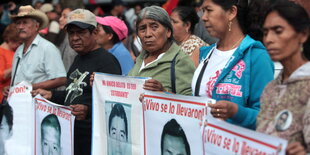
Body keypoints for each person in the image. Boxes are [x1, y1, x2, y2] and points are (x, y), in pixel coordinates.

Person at [32, 9, 122, 155]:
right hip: (71, 138)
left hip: (91, 141)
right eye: (71, 33)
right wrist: (51, 95)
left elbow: (114, 105)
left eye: (81, 32)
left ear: (95, 32)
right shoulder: (79, 58)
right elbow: (72, 94)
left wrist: (87, 110)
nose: (74, 38)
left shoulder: (107, 62)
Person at [192, 0, 274, 129]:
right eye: (203, 11)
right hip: (201, 145)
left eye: (209, 10)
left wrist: (237, 112)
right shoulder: (204, 54)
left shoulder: (257, 56)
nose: (204, 17)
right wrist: (163, 94)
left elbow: (269, 118)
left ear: (231, 12)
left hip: (236, 146)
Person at [257, 0, 310, 154]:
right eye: (265, 33)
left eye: (278, 31)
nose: (268, 39)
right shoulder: (270, 89)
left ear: (303, 35)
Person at [128, 6, 196, 96]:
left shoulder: (180, 61)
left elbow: (191, 103)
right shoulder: (140, 59)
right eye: (142, 29)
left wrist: (164, 92)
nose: (148, 34)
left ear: (168, 31)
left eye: (154, 27)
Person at [9, 5, 66, 90]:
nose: (20, 27)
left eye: (25, 22)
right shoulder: (19, 50)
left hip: (36, 102)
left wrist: (30, 87)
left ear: (36, 26)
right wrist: (11, 88)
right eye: (18, 23)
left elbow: (61, 79)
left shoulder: (47, 48)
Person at [0, 23, 21, 101]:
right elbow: (2, 76)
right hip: (2, 96)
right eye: (19, 43)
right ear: (10, 39)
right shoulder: (1, 52)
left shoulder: (14, 51)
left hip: (12, 95)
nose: (20, 45)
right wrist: (18, 65)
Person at [56, 7, 77, 72]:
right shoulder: (65, 36)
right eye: (61, 16)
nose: (60, 19)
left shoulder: (75, 41)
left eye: (64, 17)